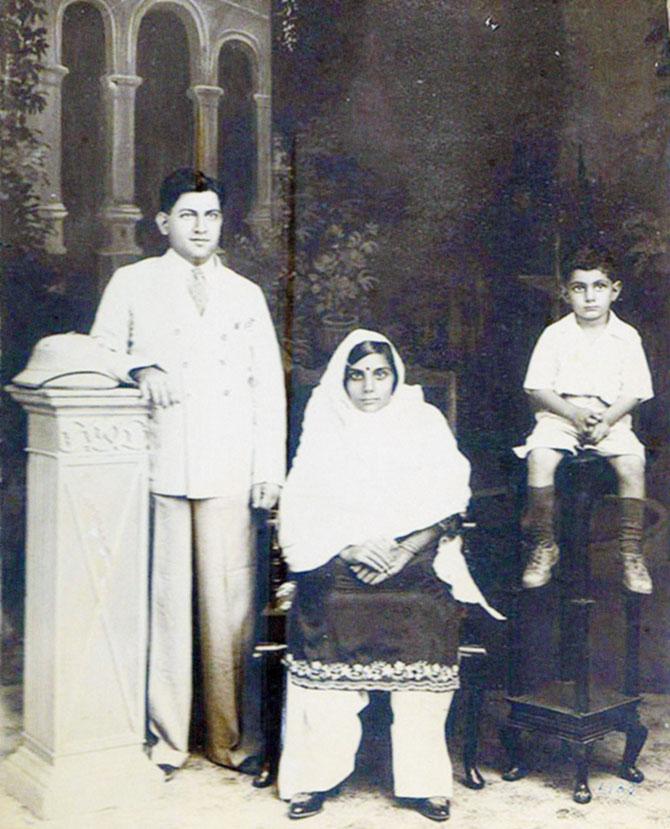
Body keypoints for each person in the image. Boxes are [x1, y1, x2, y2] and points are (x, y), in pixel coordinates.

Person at [90, 168, 286, 774]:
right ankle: (168, 739)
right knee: (168, 606)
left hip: (230, 467)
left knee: (230, 609)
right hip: (160, 466)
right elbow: (97, 353)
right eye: (190, 216)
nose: (202, 228)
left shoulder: (245, 293)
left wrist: (268, 470)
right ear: (163, 223)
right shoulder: (132, 283)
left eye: (212, 216)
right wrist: (140, 368)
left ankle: (230, 740)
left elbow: (266, 390)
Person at [276, 329, 503, 822]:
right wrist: (350, 546)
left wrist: (403, 550)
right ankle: (314, 778)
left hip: (413, 559)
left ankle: (424, 782)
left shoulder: (423, 421)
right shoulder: (325, 422)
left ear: (395, 376)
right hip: (338, 560)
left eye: (380, 374)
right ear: (343, 379)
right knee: (329, 607)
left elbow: (449, 499)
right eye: (356, 376)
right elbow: (301, 503)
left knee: (422, 608)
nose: (368, 387)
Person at [514, 246, 654, 593]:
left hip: (611, 417)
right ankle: (544, 545)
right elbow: (537, 388)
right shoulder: (555, 335)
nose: (590, 297)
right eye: (580, 288)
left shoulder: (626, 337)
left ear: (615, 291)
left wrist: (607, 420)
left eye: (599, 287)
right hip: (562, 415)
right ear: (565, 293)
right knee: (540, 458)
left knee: (632, 464)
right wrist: (573, 413)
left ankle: (631, 552)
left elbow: (635, 390)